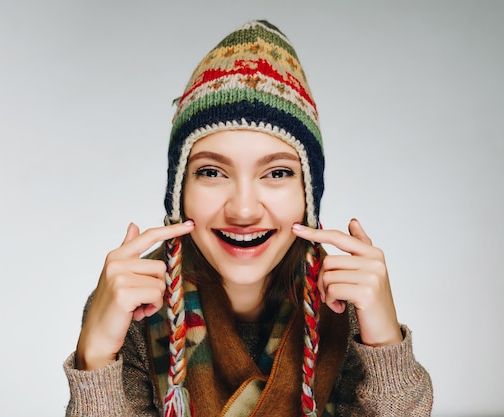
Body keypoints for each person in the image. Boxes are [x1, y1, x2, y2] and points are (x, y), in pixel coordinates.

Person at [63, 20, 433, 417]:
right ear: (179, 192)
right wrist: (96, 356)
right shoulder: (137, 306)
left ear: (308, 194)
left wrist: (385, 345)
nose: (242, 210)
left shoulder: (347, 306)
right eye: (211, 172)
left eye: (277, 173)